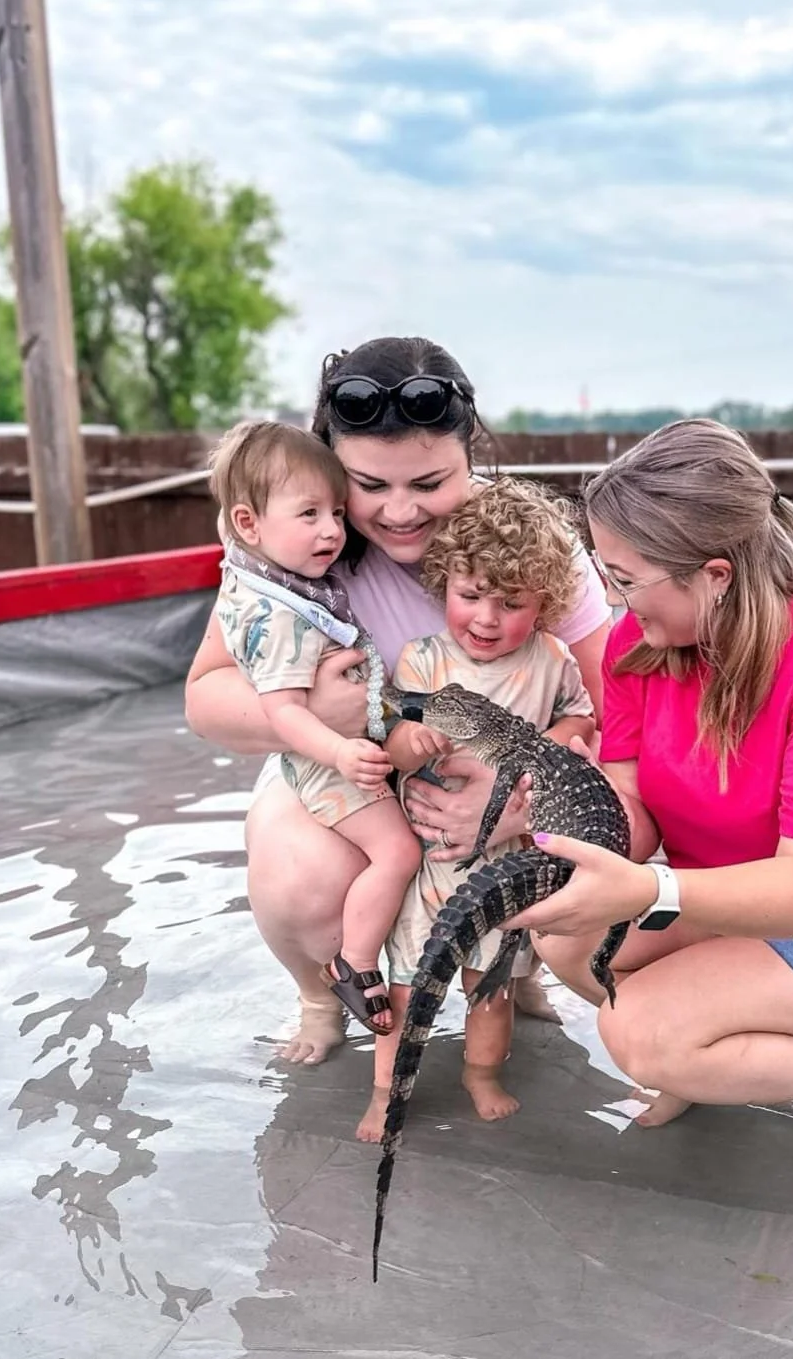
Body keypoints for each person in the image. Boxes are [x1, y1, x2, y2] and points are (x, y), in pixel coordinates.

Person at [507, 418, 793, 1168]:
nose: (614, 602)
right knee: (566, 934)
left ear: (714, 575)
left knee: (640, 1033)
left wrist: (641, 888)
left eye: (625, 578)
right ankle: (708, 1057)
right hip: (729, 903)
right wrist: (556, 820)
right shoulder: (641, 647)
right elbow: (633, 803)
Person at [184, 337, 611, 1063]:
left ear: (470, 456)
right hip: (353, 764)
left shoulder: (528, 544)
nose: (401, 511)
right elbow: (204, 698)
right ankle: (323, 992)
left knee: (608, 828)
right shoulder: (300, 548)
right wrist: (315, 714)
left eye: (429, 481)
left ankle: (520, 967)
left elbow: (612, 705)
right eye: (369, 486)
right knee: (299, 872)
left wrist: (522, 798)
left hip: (506, 767)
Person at [354, 478, 597, 1139]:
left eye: (510, 602)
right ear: (444, 584)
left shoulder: (551, 661)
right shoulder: (425, 661)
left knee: (489, 990)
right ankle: (383, 1090)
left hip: (505, 865)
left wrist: (545, 747)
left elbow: (581, 722)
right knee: (403, 991)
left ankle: (481, 1073)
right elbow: (391, 743)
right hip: (429, 868)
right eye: (470, 596)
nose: (486, 617)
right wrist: (412, 739)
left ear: (543, 603)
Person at [206, 420, 422, 1034]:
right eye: (309, 514)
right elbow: (282, 712)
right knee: (398, 850)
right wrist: (342, 750)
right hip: (330, 763)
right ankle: (350, 968)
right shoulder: (277, 615)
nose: (331, 529)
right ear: (250, 525)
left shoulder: (284, 576)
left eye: (335, 511)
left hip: (348, 751)